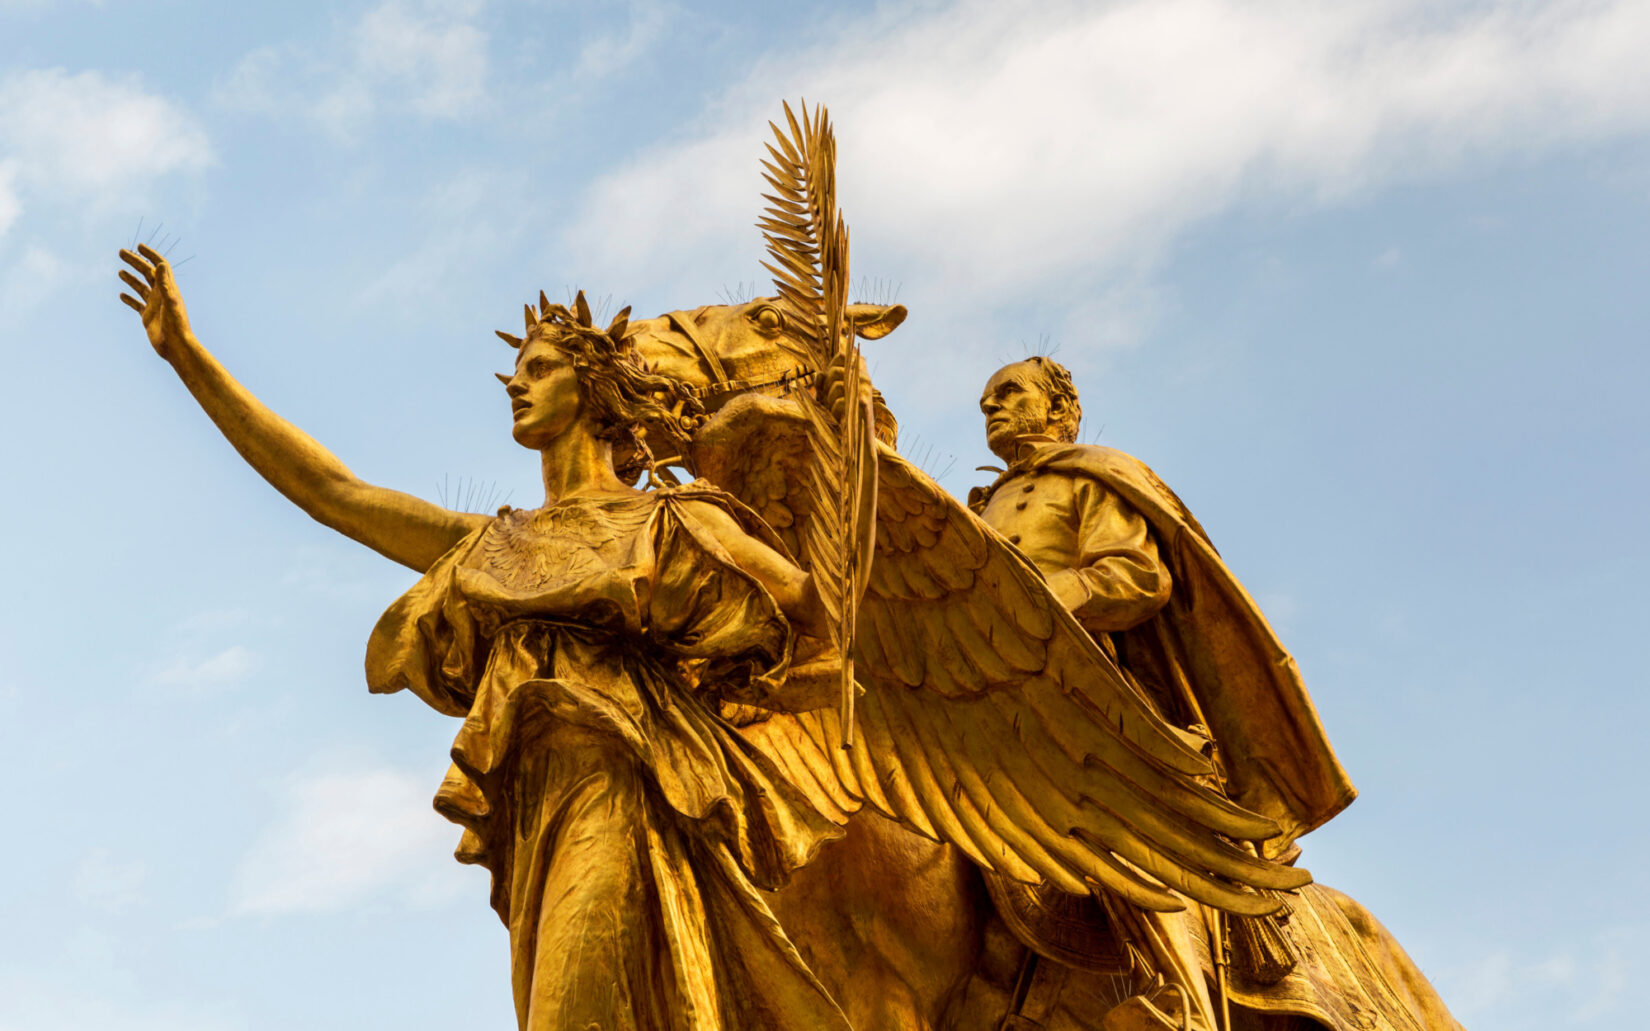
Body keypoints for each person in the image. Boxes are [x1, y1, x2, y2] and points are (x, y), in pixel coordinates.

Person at [117, 244, 857, 1031]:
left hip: (621, 786)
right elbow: (334, 493)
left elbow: (820, 610)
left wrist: (844, 453)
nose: (515, 380)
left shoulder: (671, 521)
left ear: (596, 389)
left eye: (540, 368)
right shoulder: (495, 544)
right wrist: (190, 360)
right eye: (518, 369)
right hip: (535, 815)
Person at [966, 357, 1462, 1031]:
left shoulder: (1091, 477)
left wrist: (1052, 598)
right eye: (987, 399)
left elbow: (1138, 575)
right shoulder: (980, 508)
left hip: (1091, 700)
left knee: (1114, 816)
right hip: (987, 698)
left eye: (1009, 393)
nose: (989, 405)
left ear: (1060, 410)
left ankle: (1182, 1000)